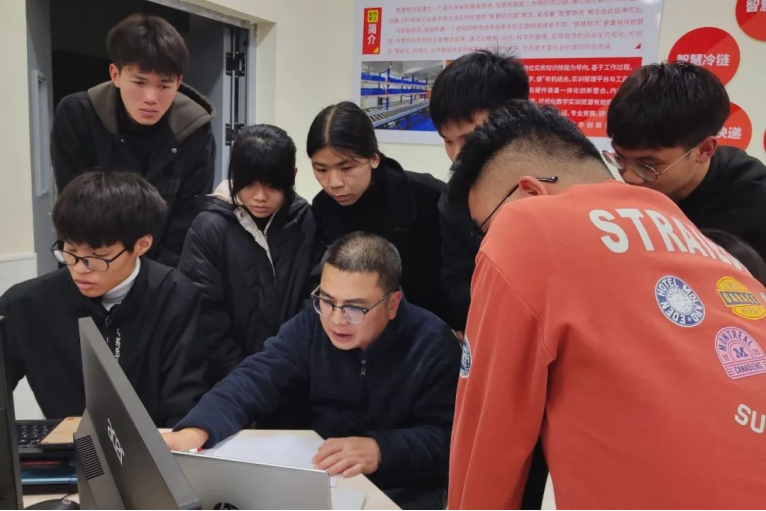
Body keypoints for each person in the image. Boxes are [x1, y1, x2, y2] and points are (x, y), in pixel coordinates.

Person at [447, 100, 766, 509]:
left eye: (485, 228)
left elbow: (487, 437)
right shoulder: (696, 237)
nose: (485, 243)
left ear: (530, 193)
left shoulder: (527, 225)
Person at [164, 232, 461, 510]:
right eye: (327, 301)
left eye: (355, 308)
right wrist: (197, 429)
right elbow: (256, 377)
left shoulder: (432, 343)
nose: (336, 320)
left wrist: (382, 449)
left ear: (392, 304)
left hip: (401, 489)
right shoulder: (310, 326)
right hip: (319, 479)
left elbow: (448, 439)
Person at [0, 172, 208, 427]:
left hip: (157, 443)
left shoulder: (176, 297)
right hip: (67, 444)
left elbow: (184, 403)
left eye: (98, 256)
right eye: (70, 250)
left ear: (142, 245)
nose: (80, 269)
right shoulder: (25, 305)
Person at [51, 14, 216, 267]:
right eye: (139, 82)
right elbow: (75, 206)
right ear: (115, 74)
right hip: (91, 262)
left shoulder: (195, 128)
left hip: (163, 269)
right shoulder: (78, 115)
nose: (151, 97)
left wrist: (160, 279)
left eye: (164, 85)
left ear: (178, 82)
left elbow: (188, 218)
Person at [179, 125, 317, 387]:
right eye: (249, 184)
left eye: (273, 185)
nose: (260, 197)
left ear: (293, 175)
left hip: (294, 374)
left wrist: (288, 365)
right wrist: (248, 378)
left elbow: (315, 298)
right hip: (227, 382)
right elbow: (204, 313)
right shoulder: (209, 227)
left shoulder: (305, 220)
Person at [606, 61, 766, 261]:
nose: (629, 177)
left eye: (648, 165)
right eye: (620, 158)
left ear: (705, 150)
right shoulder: (629, 197)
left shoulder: (756, 205)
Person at [309, 101, 449, 322]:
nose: (334, 182)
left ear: (374, 158)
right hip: (353, 329)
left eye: (346, 168)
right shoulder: (321, 208)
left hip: (430, 330)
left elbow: (458, 273)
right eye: (321, 169)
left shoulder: (429, 197)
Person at [430, 50, 530, 334]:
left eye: (469, 139)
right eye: (447, 141)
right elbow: (457, 283)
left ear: (517, 119)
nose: (457, 156)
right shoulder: (454, 199)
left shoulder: (561, 183)